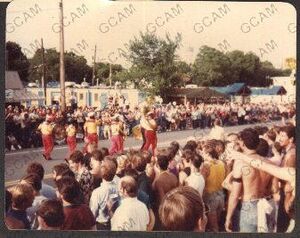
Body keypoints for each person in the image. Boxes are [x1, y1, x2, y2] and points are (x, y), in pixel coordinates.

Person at [225, 128, 274, 232]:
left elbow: (234, 194)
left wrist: (228, 217)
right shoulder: (268, 163)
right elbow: (272, 189)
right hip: (266, 204)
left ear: (242, 143)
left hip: (249, 206)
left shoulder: (240, 163)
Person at [89, 158, 120, 230]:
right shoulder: (119, 187)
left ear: (101, 174)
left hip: (102, 225)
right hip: (116, 222)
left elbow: (93, 212)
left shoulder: (97, 192)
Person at [277, 125, 296, 232]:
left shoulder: (291, 155)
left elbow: (290, 180)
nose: (279, 138)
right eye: (279, 135)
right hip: (285, 192)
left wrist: (288, 201)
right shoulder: (288, 151)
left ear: (291, 139)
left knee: (283, 226)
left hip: (287, 193)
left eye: (283, 136)